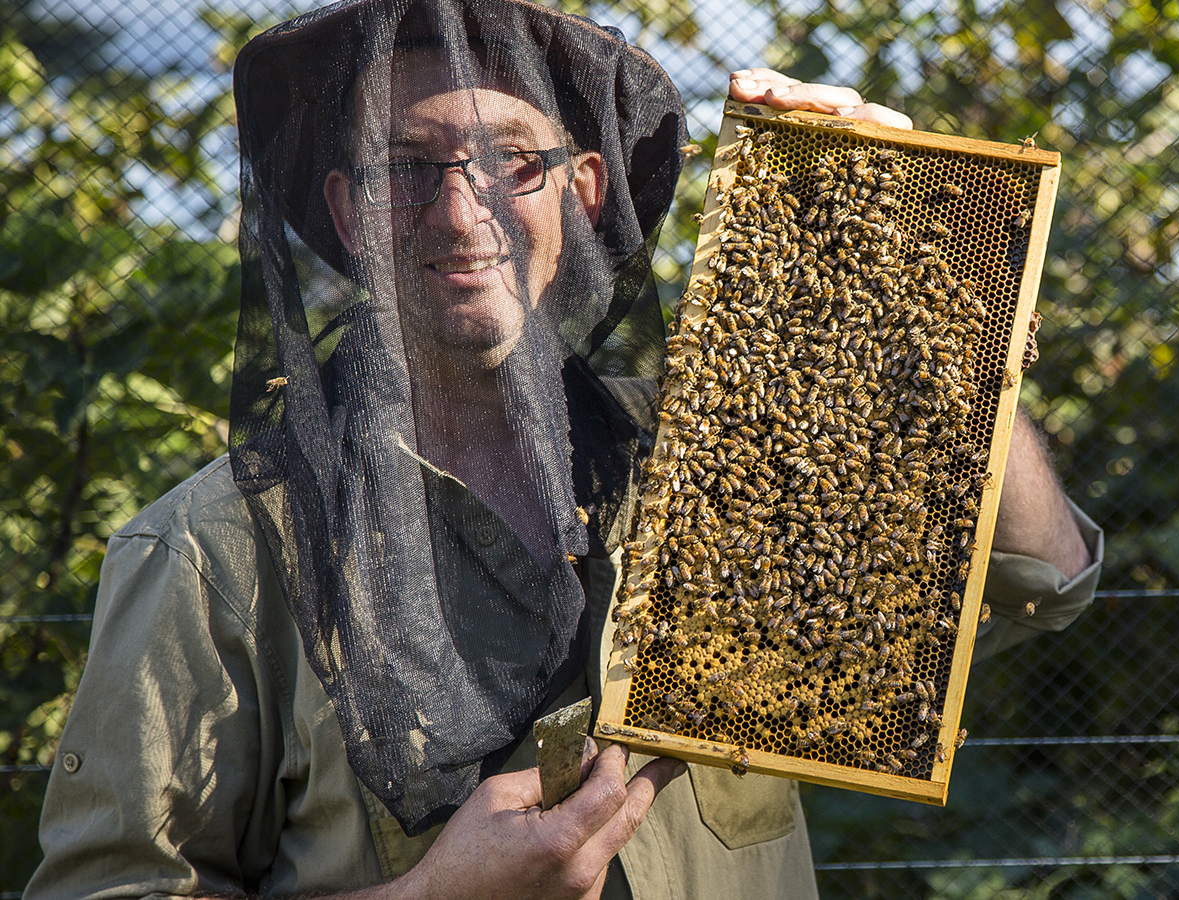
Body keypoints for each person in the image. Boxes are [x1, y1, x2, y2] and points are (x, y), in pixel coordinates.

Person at [25, 1, 1102, 898]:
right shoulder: (211, 554)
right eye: (407, 168)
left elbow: (1038, 579)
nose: (460, 211)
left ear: (583, 191)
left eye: (511, 163)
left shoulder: (719, 452)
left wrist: (934, 291)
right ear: (350, 216)